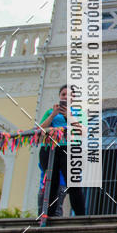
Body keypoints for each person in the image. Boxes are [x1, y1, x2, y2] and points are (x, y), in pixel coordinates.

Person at [38, 84, 86, 220]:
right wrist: (53, 115)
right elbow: (40, 131)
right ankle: (49, 215)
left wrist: (69, 116)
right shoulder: (50, 112)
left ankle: (81, 217)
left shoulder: (78, 113)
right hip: (50, 149)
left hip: (70, 149)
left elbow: (83, 132)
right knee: (51, 183)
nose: (66, 97)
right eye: (63, 94)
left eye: (69, 95)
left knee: (73, 184)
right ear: (60, 97)